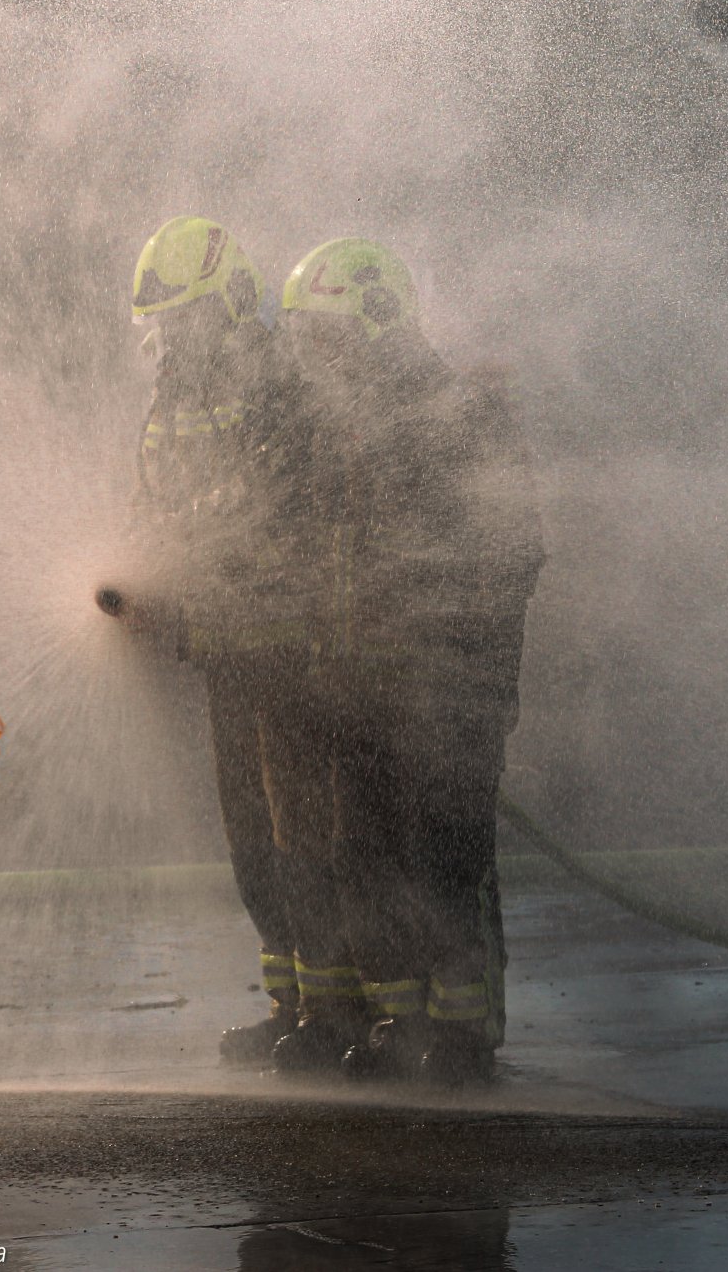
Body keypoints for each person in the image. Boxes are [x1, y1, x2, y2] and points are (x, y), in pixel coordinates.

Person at [277, 238, 545, 1085]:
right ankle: (401, 1023)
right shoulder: (339, 426)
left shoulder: (458, 414)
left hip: (445, 690)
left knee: (446, 858)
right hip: (355, 688)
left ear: (378, 321)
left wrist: (458, 659)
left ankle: (465, 1032)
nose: (316, 357)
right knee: (366, 858)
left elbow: (511, 551)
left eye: (327, 336)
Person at [121, 215, 361, 1067]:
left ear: (228, 301)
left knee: (306, 835)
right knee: (253, 838)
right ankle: (290, 1003)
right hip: (225, 647)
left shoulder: (278, 382)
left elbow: (272, 499)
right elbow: (155, 500)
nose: (172, 338)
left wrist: (182, 551)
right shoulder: (173, 398)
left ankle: (334, 1013)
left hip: (291, 650)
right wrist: (140, 577)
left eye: (184, 317)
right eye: (163, 323)